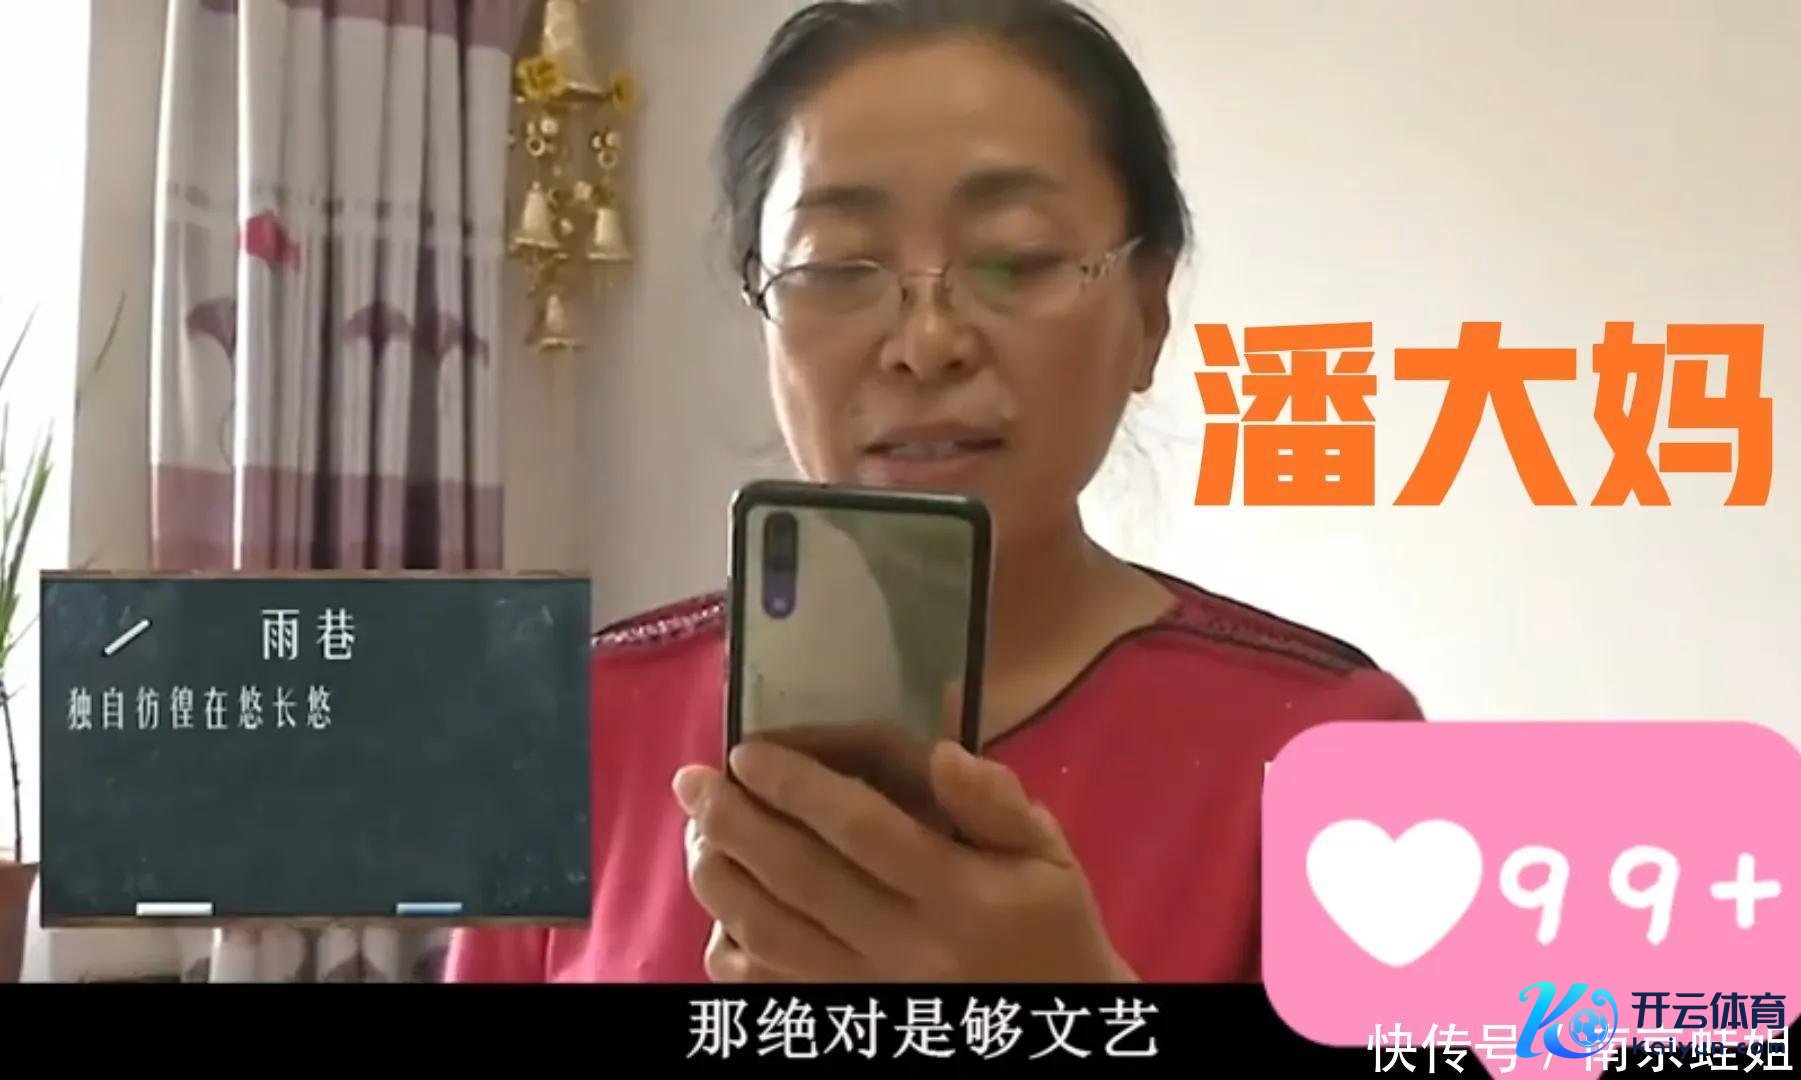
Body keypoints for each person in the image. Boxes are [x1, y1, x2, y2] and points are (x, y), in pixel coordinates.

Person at [445, 0, 1422, 984]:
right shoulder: (566, 729)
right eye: (835, 268)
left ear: (1149, 310)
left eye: (1018, 260)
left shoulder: (1352, 743)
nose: (925, 343)